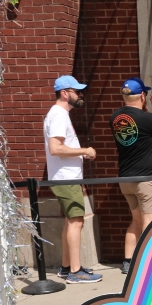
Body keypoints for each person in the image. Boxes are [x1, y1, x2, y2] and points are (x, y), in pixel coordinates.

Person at [110, 77, 152, 275]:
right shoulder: (148, 119)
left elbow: (138, 132)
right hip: (146, 180)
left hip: (126, 179)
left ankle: (128, 261)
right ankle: (149, 262)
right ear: (142, 96)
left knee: (136, 220)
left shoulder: (115, 117)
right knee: (150, 220)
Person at [45, 76, 101, 284]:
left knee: (71, 221)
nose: (81, 95)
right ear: (64, 93)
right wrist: (84, 150)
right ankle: (75, 272)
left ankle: (67, 267)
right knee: (76, 221)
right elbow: (56, 148)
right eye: (77, 92)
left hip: (66, 177)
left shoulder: (58, 114)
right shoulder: (59, 115)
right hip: (66, 178)